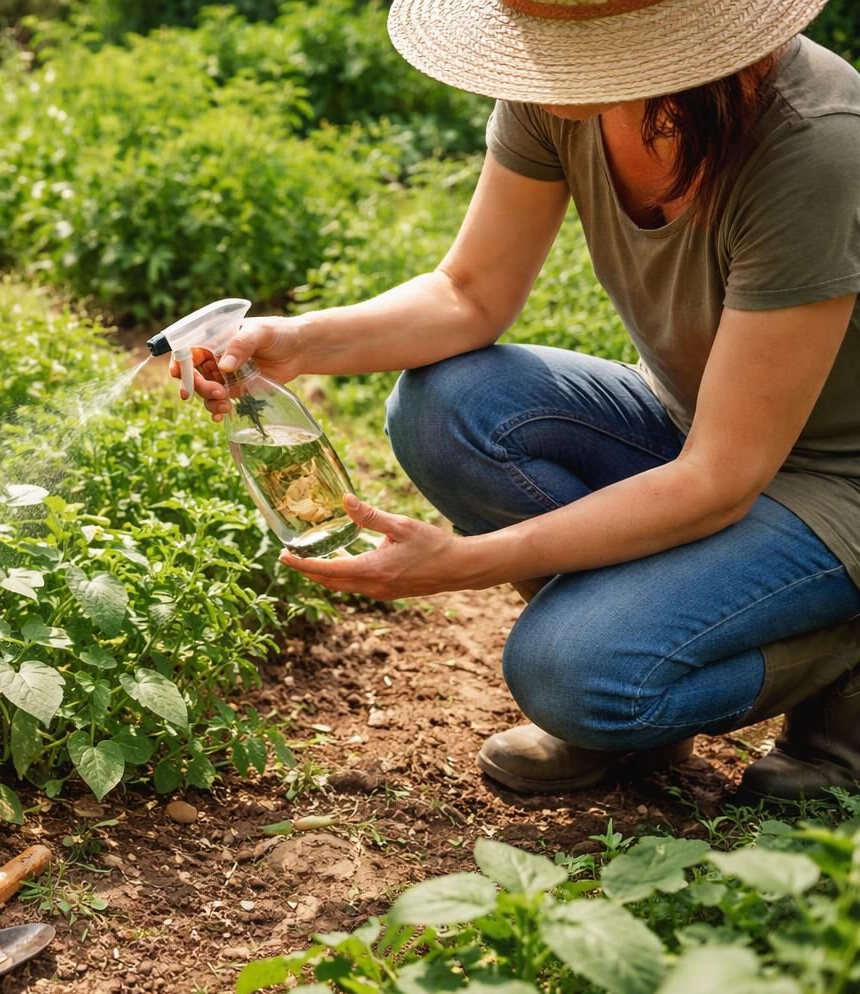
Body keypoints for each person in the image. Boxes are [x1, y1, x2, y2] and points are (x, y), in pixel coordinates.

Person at [177, 0, 860, 799]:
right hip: (700, 427)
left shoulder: (816, 145)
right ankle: (648, 672)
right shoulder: (566, 88)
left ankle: (835, 664)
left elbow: (721, 478)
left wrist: (462, 564)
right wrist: (300, 342)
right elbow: (469, 293)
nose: (538, 56)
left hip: (832, 480)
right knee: (450, 404)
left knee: (570, 674)